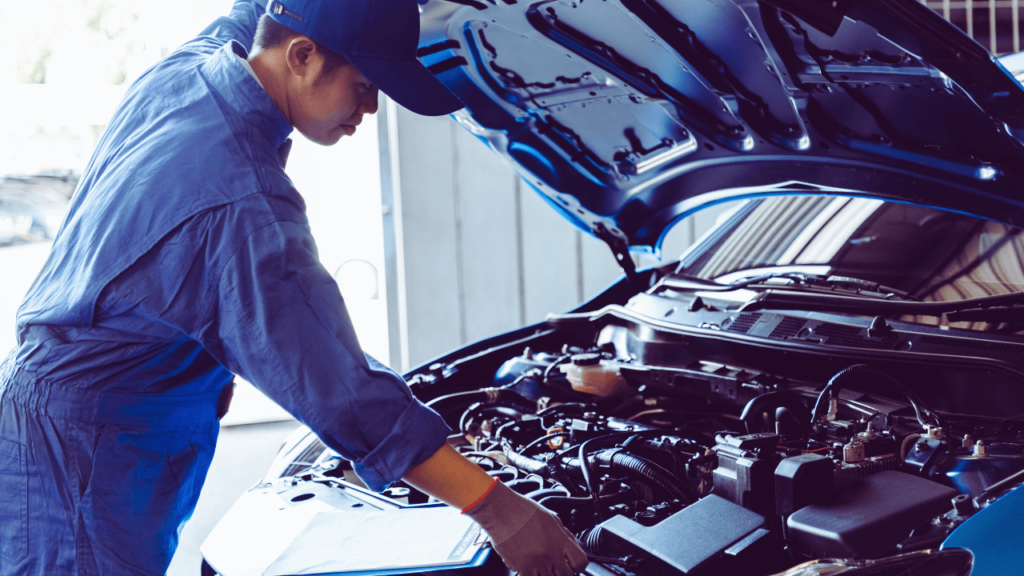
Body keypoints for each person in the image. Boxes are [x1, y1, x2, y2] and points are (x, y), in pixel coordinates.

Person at [0, 0, 589, 574]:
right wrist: (500, 509)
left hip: (83, 424)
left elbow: (256, 10)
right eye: (364, 84)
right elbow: (342, 389)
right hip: (79, 458)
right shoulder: (240, 206)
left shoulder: (195, 68)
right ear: (303, 56)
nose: (373, 107)